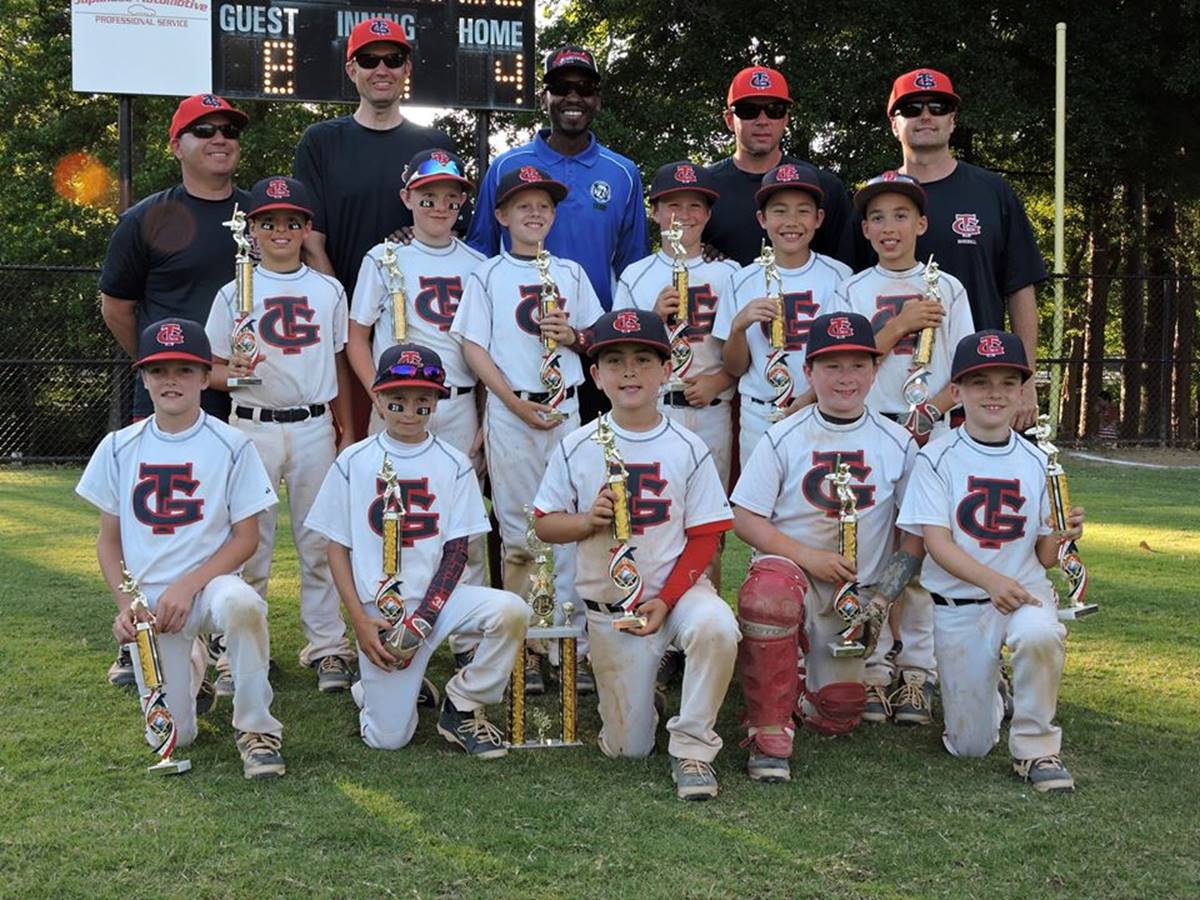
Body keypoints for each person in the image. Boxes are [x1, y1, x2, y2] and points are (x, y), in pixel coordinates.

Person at [533, 309, 739, 801]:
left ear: (667, 370)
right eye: (616, 361)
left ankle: (692, 748)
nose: (630, 372)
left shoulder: (688, 446)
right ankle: (646, 695)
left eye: (644, 359)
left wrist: (667, 600)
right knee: (628, 749)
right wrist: (587, 522)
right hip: (611, 608)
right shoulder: (577, 444)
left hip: (677, 594)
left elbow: (708, 535)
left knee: (717, 625)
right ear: (594, 375)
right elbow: (543, 523)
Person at [76, 318, 285, 779]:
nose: (171, 380)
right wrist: (127, 604)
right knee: (171, 735)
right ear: (144, 377)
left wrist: (190, 586)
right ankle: (192, 673)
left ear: (205, 376)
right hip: (151, 604)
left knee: (244, 604)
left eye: (186, 369)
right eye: (159, 370)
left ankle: (256, 728)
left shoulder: (231, 445)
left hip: (209, 587)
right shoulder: (117, 447)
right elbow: (108, 542)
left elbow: (246, 538)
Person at [305, 343, 528, 755]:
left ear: (438, 402)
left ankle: (462, 703)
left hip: (439, 603)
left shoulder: (454, 462)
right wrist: (358, 619)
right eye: (397, 399)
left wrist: (424, 620)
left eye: (422, 401)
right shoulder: (354, 461)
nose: (409, 411)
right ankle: (377, 691)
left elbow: (458, 551)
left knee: (512, 611)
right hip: (381, 611)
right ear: (379, 396)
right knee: (388, 740)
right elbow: (336, 548)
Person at [99, 92, 250, 687]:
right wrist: (167, 370)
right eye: (204, 130)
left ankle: (218, 640)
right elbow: (116, 306)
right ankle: (134, 626)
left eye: (230, 130)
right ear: (176, 145)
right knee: (155, 516)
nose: (220, 139)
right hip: (170, 395)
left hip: (246, 395)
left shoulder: (258, 215)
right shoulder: (147, 218)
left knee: (224, 519)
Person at [730, 312, 920, 782]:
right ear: (809, 373)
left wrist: (882, 599)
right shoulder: (783, 435)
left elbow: (914, 534)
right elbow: (743, 516)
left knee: (840, 714)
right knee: (769, 598)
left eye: (857, 366)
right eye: (831, 367)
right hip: (793, 577)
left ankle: (799, 686)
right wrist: (808, 556)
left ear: (876, 372)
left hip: (856, 595)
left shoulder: (898, 443)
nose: (845, 378)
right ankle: (768, 727)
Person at [897, 330, 1083, 792]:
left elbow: (1043, 554)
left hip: (1022, 593)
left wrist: (1063, 536)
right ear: (957, 392)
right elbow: (937, 544)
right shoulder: (936, 458)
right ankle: (994, 695)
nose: (994, 393)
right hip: (961, 604)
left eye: (1006, 382)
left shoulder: (1039, 461)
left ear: (1022, 392)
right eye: (980, 382)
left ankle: (1037, 749)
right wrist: (991, 582)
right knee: (970, 745)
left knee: (1040, 633)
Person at [451, 165, 605, 692]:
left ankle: (575, 645)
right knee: (520, 535)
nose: (534, 213)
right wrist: (513, 402)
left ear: (554, 215)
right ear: (501, 215)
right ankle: (531, 644)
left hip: (566, 411)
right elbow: (472, 347)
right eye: (522, 205)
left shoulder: (572, 272)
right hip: (513, 411)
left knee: (574, 526)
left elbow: (596, 339)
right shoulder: (488, 274)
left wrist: (576, 335)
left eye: (543, 205)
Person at [204, 176, 357, 694]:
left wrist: (348, 426)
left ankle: (327, 646)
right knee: (250, 546)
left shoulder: (328, 289)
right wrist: (238, 371)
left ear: (306, 228)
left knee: (319, 542)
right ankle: (244, 651)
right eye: (268, 222)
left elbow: (337, 361)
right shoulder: (235, 289)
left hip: (314, 423)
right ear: (252, 230)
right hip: (252, 424)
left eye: (292, 222)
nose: (281, 231)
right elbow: (211, 369)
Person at [833, 172, 975, 724]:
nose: (889, 227)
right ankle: (870, 666)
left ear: (921, 223)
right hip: (869, 426)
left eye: (900, 216)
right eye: (877, 217)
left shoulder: (948, 287)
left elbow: (965, 367)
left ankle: (917, 671)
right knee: (870, 545)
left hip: (930, 429)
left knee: (920, 549)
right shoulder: (852, 288)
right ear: (864, 229)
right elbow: (841, 358)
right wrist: (898, 324)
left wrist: (933, 411)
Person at [466, 44, 647, 421]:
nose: (573, 97)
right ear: (544, 96)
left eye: (584, 87)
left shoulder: (623, 173)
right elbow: (478, 253)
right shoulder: (507, 167)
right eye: (562, 87)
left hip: (590, 349)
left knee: (596, 470)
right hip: (513, 358)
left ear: (597, 99)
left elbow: (635, 269)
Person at [348, 148, 487, 597]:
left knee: (463, 518)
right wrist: (379, 398)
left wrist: (486, 420)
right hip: (396, 403)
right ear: (406, 197)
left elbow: (484, 352)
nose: (440, 207)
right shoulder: (383, 257)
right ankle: (390, 610)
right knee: (391, 512)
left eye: (451, 197)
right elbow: (357, 336)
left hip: (460, 403)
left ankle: (465, 629)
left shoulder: (477, 264)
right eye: (427, 197)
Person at [877, 67, 1046, 430]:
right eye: (912, 108)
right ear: (894, 124)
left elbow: (1019, 288)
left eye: (937, 106)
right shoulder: (878, 198)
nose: (925, 115)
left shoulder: (991, 191)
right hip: (890, 391)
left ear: (953, 121)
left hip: (980, 381)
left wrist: (1026, 381)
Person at [292, 17, 462, 298]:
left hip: (420, 318)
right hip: (343, 314)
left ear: (406, 68)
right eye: (369, 60)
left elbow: (454, 233)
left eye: (393, 60)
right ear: (351, 69)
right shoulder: (320, 141)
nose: (382, 70)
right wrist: (343, 317)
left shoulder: (435, 146)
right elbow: (311, 242)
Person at [714, 163, 851, 468]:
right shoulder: (741, 279)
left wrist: (811, 398)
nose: (791, 221)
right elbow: (734, 368)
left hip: (820, 408)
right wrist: (738, 328)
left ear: (819, 219)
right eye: (779, 211)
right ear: (762, 219)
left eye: (803, 211)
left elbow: (848, 357)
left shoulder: (840, 276)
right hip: (758, 414)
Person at [703, 66, 855, 268]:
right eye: (749, 111)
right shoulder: (702, 189)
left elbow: (846, 269)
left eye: (775, 110)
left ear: (785, 119)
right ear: (730, 120)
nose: (762, 121)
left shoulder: (825, 187)